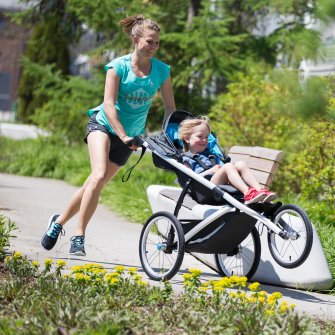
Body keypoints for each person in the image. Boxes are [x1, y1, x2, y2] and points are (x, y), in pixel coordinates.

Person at [41, 14, 176, 256]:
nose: (154, 47)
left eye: (157, 42)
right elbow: (109, 105)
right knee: (99, 174)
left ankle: (58, 222)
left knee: (95, 184)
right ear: (136, 39)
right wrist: (123, 135)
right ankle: (78, 236)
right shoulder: (118, 67)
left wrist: (171, 136)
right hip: (103, 125)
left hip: (131, 136)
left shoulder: (162, 71)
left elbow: (170, 109)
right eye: (149, 41)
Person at [178, 117, 277, 204]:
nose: (204, 140)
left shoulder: (210, 155)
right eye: (200, 136)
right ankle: (248, 193)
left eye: (206, 137)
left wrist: (227, 169)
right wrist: (210, 171)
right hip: (204, 190)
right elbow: (189, 181)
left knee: (241, 164)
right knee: (228, 166)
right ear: (187, 139)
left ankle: (260, 191)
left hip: (217, 184)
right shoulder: (186, 159)